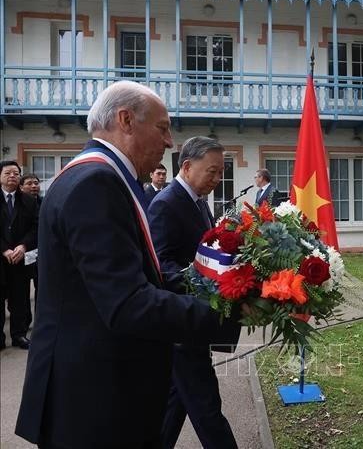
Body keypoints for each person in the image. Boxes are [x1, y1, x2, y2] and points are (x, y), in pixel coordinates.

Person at [15, 81, 241, 448]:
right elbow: (127, 302)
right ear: (126, 120)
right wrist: (227, 312)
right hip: (93, 403)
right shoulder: (96, 183)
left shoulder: (99, 177)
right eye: (163, 128)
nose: (169, 142)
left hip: (94, 390)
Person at [148, 136, 240, 449]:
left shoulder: (197, 201)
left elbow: (206, 251)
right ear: (186, 166)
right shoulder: (166, 203)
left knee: (177, 401)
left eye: (220, 173)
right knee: (207, 409)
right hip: (181, 322)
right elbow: (162, 266)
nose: (217, 179)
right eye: (212, 172)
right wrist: (210, 287)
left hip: (191, 325)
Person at [1, 161, 38, 351]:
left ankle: (19, 335)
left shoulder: (29, 201)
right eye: (8, 173)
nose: (12, 176)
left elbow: (35, 227)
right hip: (2, 256)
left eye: (16, 173)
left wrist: (23, 246)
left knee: (20, 299)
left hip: (20, 257)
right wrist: (4, 249)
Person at [19, 173, 42, 328]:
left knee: (41, 288)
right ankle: (24, 322)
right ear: (21, 187)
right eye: (29, 183)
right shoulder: (18, 205)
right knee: (22, 291)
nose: (34, 186)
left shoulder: (45, 202)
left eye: (36, 183)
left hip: (42, 253)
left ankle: (40, 321)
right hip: (23, 251)